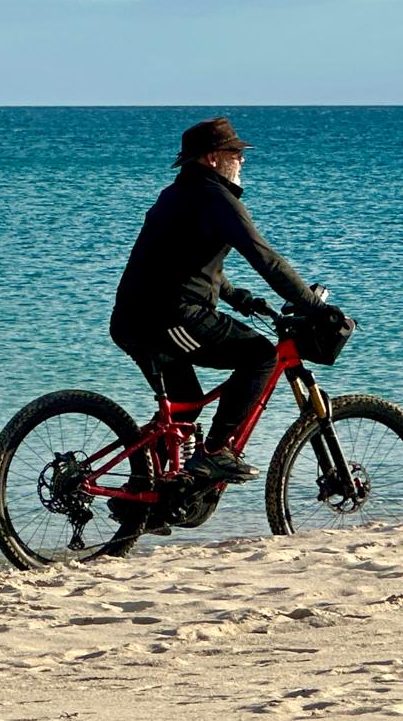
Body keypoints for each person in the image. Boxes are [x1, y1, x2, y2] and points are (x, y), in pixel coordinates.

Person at [110, 115, 332, 485]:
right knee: (262, 356)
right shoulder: (216, 198)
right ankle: (215, 452)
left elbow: (190, 265)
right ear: (212, 158)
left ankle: (145, 498)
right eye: (235, 152)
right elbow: (266, 258)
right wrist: (315, 306)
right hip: (168, 319)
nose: (242, 159)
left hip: (137, 317)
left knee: (185, 406)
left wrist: (239, 298)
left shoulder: (179, 194)